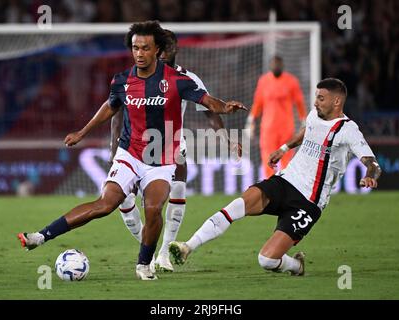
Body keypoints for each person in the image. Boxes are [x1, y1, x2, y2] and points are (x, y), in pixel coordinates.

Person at [17, 21, 247, 281]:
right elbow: (110, 107)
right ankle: (40, 236)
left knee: (152, 208)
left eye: (145, 48)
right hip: (130, 153)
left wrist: (224, 107)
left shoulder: (178, 80)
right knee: (105, 205)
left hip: (162, 157)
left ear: (156, 50)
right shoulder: (122, 80)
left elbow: (206, 101)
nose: (139, 53)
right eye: (135, 48)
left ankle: (143, 264)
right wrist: (83, 132)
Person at [169, 78, 381, 276]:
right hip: (286, 181)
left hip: (308, 201)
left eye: (321, 98)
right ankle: (188, 246)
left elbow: (371, 162)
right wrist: (284, 148)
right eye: (316, 97)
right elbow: (306, 131)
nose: (315, 102)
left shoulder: (348, 130)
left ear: (337, 101)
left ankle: (296, 265)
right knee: (237, 205)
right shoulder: (315, 115)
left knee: (266, 260)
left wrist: (370, 175)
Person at [110, 29, 241, 272]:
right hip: (135, 145)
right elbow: (116, 113)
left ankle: (164, 253)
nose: (162, 53)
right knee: (125, 199)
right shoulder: (135, 77)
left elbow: (209, 110)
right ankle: (146, 246)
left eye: (167, 49)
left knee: (178, 188)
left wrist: (227, 139)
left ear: (173, 50)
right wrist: (112, 147)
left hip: (172, 144)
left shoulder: (185, 77)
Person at [246, 56, 307, 179]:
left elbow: (299, 102)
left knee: (286, 160)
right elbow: (258, 103)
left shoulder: (291, 81)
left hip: (286, 128)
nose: (276, 67)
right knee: (268, 160)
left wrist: (303, 120)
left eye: (278, 64)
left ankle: (285, 187)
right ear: (270, 66)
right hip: (268, 129)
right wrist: (250, 121)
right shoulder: (264, 81)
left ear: (282, 66)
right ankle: (270, 190)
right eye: (274, 64)